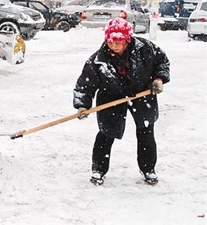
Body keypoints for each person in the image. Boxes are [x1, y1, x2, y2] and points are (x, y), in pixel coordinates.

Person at [73, 18, 170, 186]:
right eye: (111, 42)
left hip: (142, 93)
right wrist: (82, 104)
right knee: (106, 133)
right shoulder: (98, 59)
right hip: (111, 96)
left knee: (146, 130)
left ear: (127, 39)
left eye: (118, 42)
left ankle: (148, 169)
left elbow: (162, 62)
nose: (114, 46)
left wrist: (159, 79)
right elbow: (85, 83)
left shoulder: (145, 49)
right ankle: (99, 169)